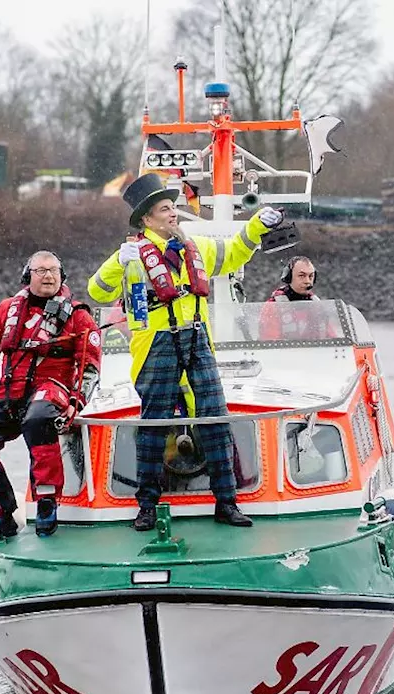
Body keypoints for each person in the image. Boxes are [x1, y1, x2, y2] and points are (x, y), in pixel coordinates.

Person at [88, 172, 283, 531]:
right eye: (165, 209)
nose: (173, 214)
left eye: (173, 207)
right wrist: (118, 262)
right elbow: (97, 291)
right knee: (153, 427)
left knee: (215, 418)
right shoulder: (129, 256)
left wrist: (255, 227)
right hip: (154, 345)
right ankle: (146, 506)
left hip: (197, 340)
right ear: (147, 219)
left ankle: (227, 502)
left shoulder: (198, 247)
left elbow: (234, 253)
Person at [0, 251, 102, 540]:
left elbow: (91, 366)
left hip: (52, 392)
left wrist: (77, 402)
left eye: (53, 270)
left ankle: (47, 500)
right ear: (28, 276)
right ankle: (1, 513)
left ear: (62, 276)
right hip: (9, 394)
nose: (48, 276)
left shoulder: (78, 317)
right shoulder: (6, 310)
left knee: (37, 419)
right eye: (40, 271)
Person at [259, 256, 340, 340]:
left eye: (311, 276)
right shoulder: (273, 306)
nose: (307, 281)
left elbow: (333, 339)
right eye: (302, 276)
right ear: (288, 277)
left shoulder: (318, 307)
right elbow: (269, 344)